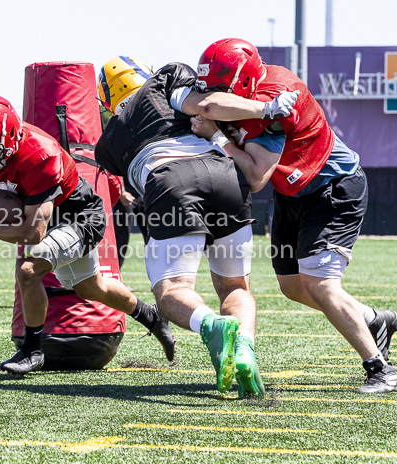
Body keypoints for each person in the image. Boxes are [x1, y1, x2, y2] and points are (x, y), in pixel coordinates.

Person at [191, 38, 397, 394]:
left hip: (332, 187)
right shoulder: (245, 96)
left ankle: (381, 369)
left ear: (243, 81)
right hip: (293, 192)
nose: (212, 95)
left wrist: (219, 139)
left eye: (220, 86)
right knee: (291, 285)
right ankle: (371, 319)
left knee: (320, 283)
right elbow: (204, 101)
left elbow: (257, 177)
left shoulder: (277, 100)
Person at [0, 95, 175, 375]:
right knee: (91, 287)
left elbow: (33, 233)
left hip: (79, 217)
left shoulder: (39, 154)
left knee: (28, 270)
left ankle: (32, 350)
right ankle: (152, 317)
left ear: (8, 139)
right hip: (53, 214)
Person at [95, 56, 298, 397]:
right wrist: (264, 109)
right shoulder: (167, 79)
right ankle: (244, 347)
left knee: (171, 290)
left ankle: (213, 326)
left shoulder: (107, 145)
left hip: (171, 181)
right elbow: (207, 105)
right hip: (225, 175)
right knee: (236, 287)